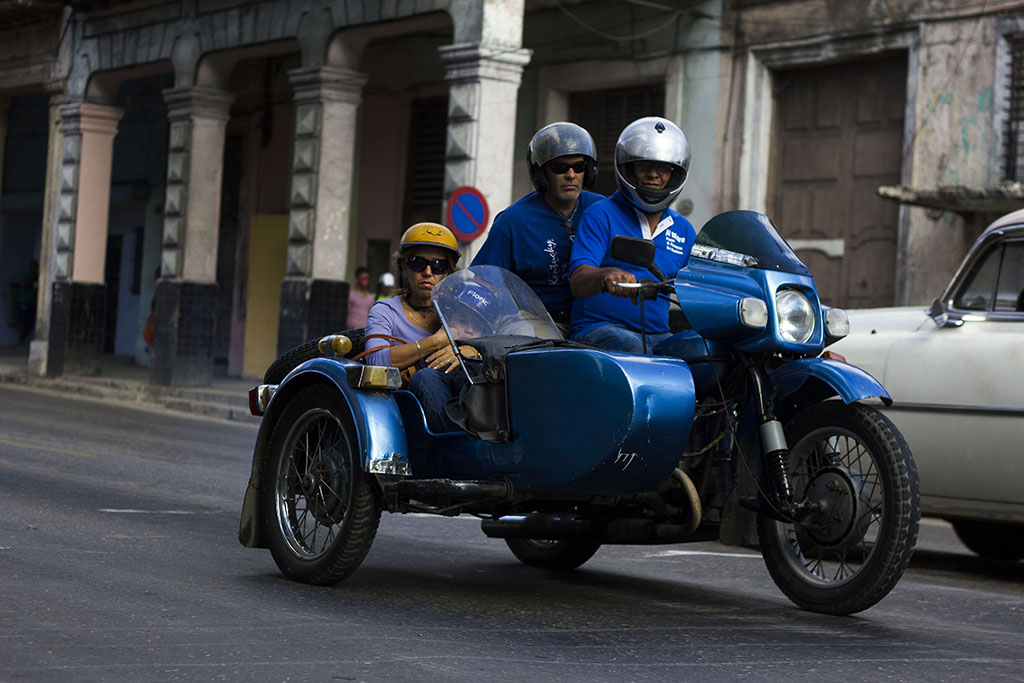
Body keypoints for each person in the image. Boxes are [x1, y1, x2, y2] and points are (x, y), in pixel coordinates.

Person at [568, 117, 696, 354]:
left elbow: (698, 284)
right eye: (644, 166)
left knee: (707, 353)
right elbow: (578, 280)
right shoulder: (601, 213)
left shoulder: (683, 229)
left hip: (658, 335)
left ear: (675, 173)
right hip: (598, 329)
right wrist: (607, 275)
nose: (653, 175)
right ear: (628, 168)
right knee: (632, 348)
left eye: (664, 168)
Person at [471, 122, 604, 332]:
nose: (571, 175)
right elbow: (484, 282)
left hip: (595, 321)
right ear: (541, 173)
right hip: (536, 322)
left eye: (578, 167)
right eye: (559, 168)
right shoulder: (513, 220)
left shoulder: (602, 210)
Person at [362, 222, 478, 432]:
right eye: (418, 263)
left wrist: (470, 350)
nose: (427, 272)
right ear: (404, 267)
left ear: (447, 272)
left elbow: (494, 339)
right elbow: (377, 360)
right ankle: (453, 449)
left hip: (466, 399)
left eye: (438, 265)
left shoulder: (461, 307)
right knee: (425, 377)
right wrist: (437, 341)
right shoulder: (385, 309)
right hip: (406, 410)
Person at [17, 260, 39, 347]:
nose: (34, 269)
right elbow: (25, 287)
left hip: (32, 303)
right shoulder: (25, 276)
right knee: (22, 323)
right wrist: (32, 278)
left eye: (35, 268)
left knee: (29, 325)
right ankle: (20, 343)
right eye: (32, 267)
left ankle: (21, 342)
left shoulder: (37, 278)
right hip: (24, 302)